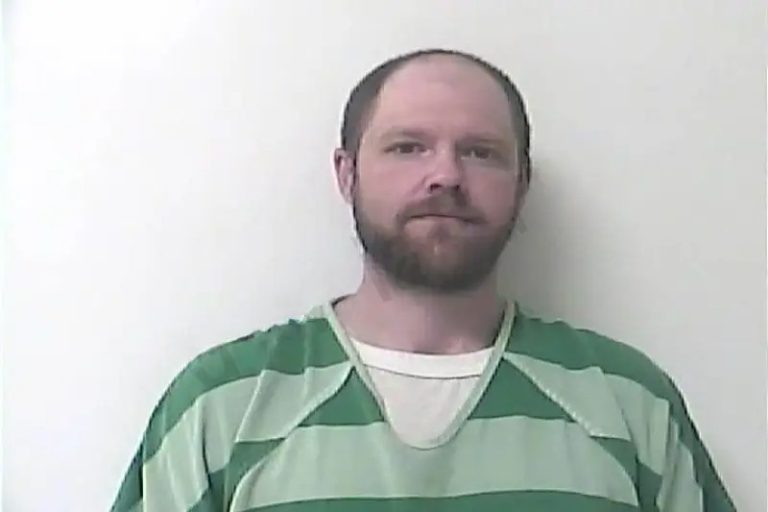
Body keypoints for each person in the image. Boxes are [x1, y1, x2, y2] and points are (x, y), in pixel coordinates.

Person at [111, 49, 735, 512]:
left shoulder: (630, 405)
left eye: (481, 152)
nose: (446, 176)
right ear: (347, 174)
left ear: (522, 183)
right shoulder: (220, 405)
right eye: (408, 147)